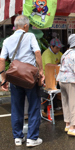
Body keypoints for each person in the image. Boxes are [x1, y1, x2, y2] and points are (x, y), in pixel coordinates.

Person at [0, 15, 45, 147]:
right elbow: (37, 53)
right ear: (25, 26)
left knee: (16, 107)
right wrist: (41, 71)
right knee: (34, 106)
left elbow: (2, 59)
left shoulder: (7, 40)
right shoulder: (30, 36)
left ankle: (18, 138)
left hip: (15, 78)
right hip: (30, 77)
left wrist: (4, 78)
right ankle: (32, 138)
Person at [41, 38, 64, 111]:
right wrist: (59, 66)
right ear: (51, 47)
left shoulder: (59, 53)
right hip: (46, 76)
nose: (58, 49)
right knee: (48, 93)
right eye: (57, 48)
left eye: (59, 48)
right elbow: (48, 64)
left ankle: (55, 106)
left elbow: (64, 58)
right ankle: (47, 109)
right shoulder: (47, 53)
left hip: (54, 76)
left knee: (54, 92)